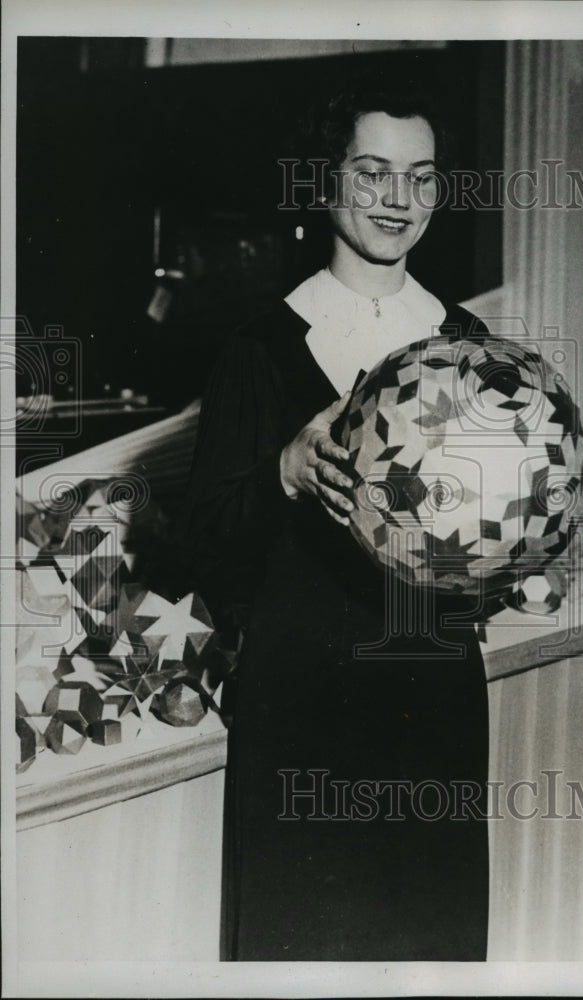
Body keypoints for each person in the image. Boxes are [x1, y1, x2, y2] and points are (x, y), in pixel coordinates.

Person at [176, 75, 494, 962]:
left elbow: (484, 544)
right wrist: (281, 472)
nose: (399, 198)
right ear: (325, 183)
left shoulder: (469, 345)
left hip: (433, 691)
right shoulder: (259, 349)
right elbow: (202, 538)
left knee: (434, 948)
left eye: (422, 177)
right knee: (304, 949)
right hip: (304, 701)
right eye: (372, 172)